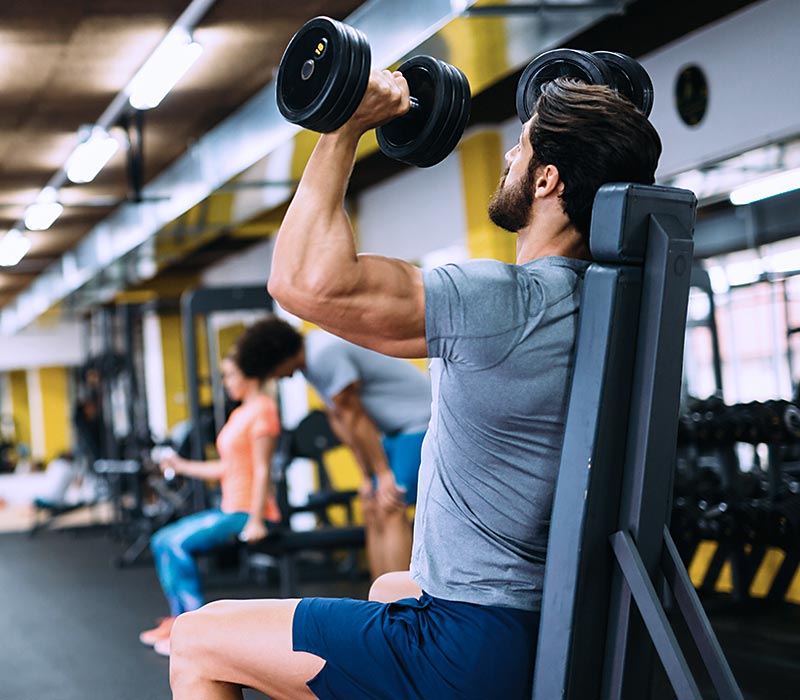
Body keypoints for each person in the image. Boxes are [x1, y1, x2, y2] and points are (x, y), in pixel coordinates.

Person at [168, 70, 661, 699]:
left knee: (196, 638)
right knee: (387, 586)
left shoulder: (506, 303)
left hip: (466, 648)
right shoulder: (609, 306)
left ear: (547, 180)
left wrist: (345, 125)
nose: (510, 154)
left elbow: (300, 280)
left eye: (524, 145)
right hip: (555, 624)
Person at [235, 317, 431, 580]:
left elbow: (355, 416)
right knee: (371, 506)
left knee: (390, 505)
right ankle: (379, 601)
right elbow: (340, 420)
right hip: (395, 432)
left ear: (276, 357)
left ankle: (399, 606)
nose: (276, 378)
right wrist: (365, 476)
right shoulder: (310, 364)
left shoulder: (323, 353)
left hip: (421, 422)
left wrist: (383, 474)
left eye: (271, 372)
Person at [139, 325, 282, 657]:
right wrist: (182, 464)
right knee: (161, 539)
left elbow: (262, 468)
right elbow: (226, 468)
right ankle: (178, 620)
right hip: (231, 507)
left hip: (248, 512)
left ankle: (194, 629)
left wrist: (257, 520)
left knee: (175, 543)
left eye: (231, 375)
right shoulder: (241, 413)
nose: (226, 382)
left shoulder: (263, 409)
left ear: (250, 375)